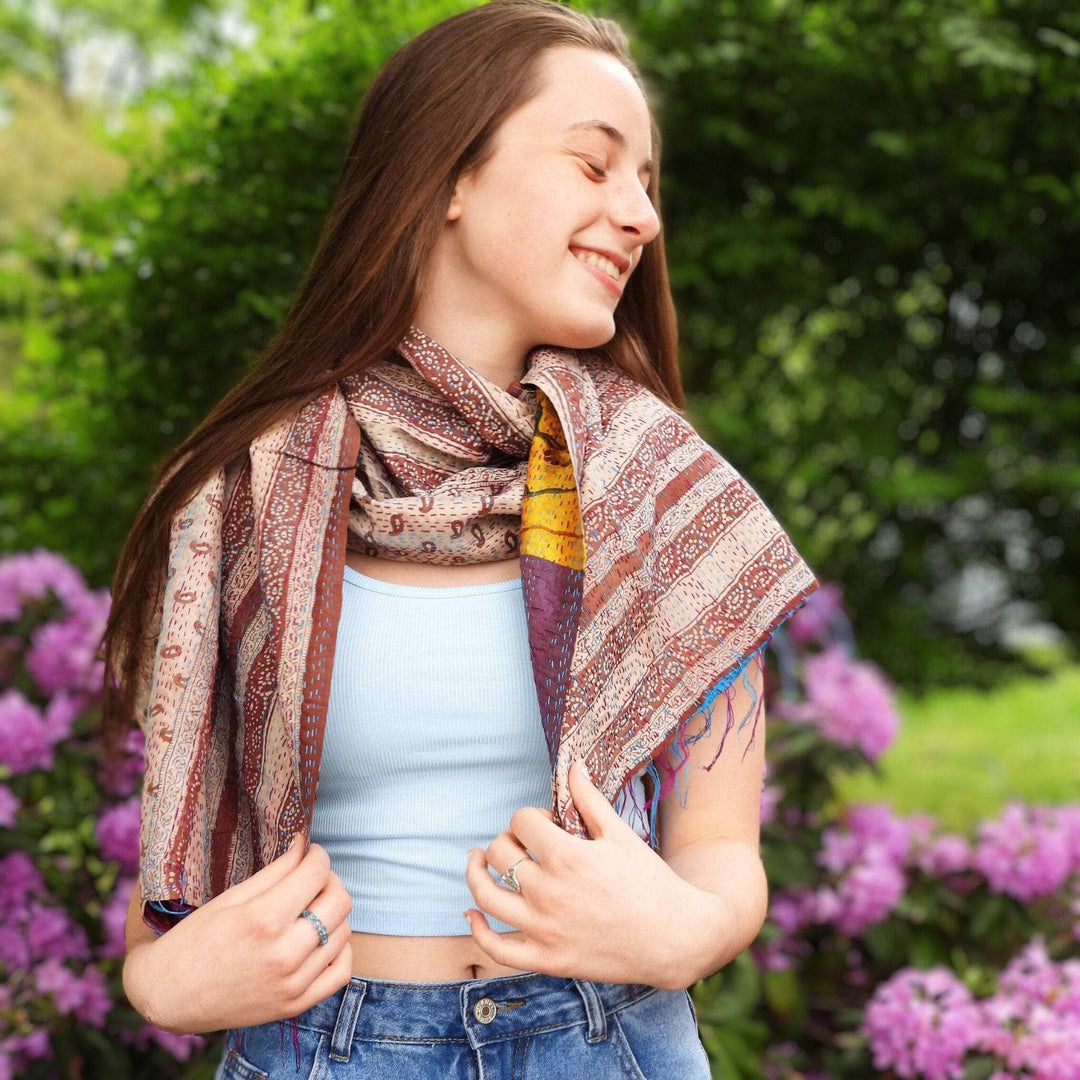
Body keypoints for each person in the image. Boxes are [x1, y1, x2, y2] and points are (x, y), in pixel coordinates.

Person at [101, 1, 819, 1076]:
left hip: (603, 1041)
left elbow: (720, 855)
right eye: (595, 166)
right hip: (320, 1050)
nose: (641, 216)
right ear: (447, 178)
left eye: (648, 183)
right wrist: (157, 979)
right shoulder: (242, 500)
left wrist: (688, 932)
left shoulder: (671, 498)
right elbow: (177, 864)